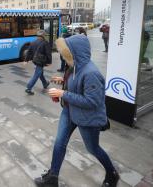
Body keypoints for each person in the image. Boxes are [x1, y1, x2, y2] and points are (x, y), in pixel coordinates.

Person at [34, 34, 119, 187]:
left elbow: (92, 101)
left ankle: (112, 173)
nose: (64, 57)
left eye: (67, 53)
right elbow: (76, 83)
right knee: (59, 142)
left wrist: (63, 93)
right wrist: (63, 81)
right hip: (69, 111)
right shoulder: (75, 66)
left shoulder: (91, 73)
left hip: (87, 117)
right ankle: (53, 177)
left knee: (93, 148)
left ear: (76, 52)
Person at [24, 29, 52, 95]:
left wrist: (26, 60)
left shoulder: (33, 42)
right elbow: (48, 53)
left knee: (40, 73)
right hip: (41, 61)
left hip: (35, 60)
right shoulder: (45, 42)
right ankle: (29, 88)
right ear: (43, 35)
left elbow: (29, 52)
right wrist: (49, 62)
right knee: (37, 74)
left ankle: (45, 83)